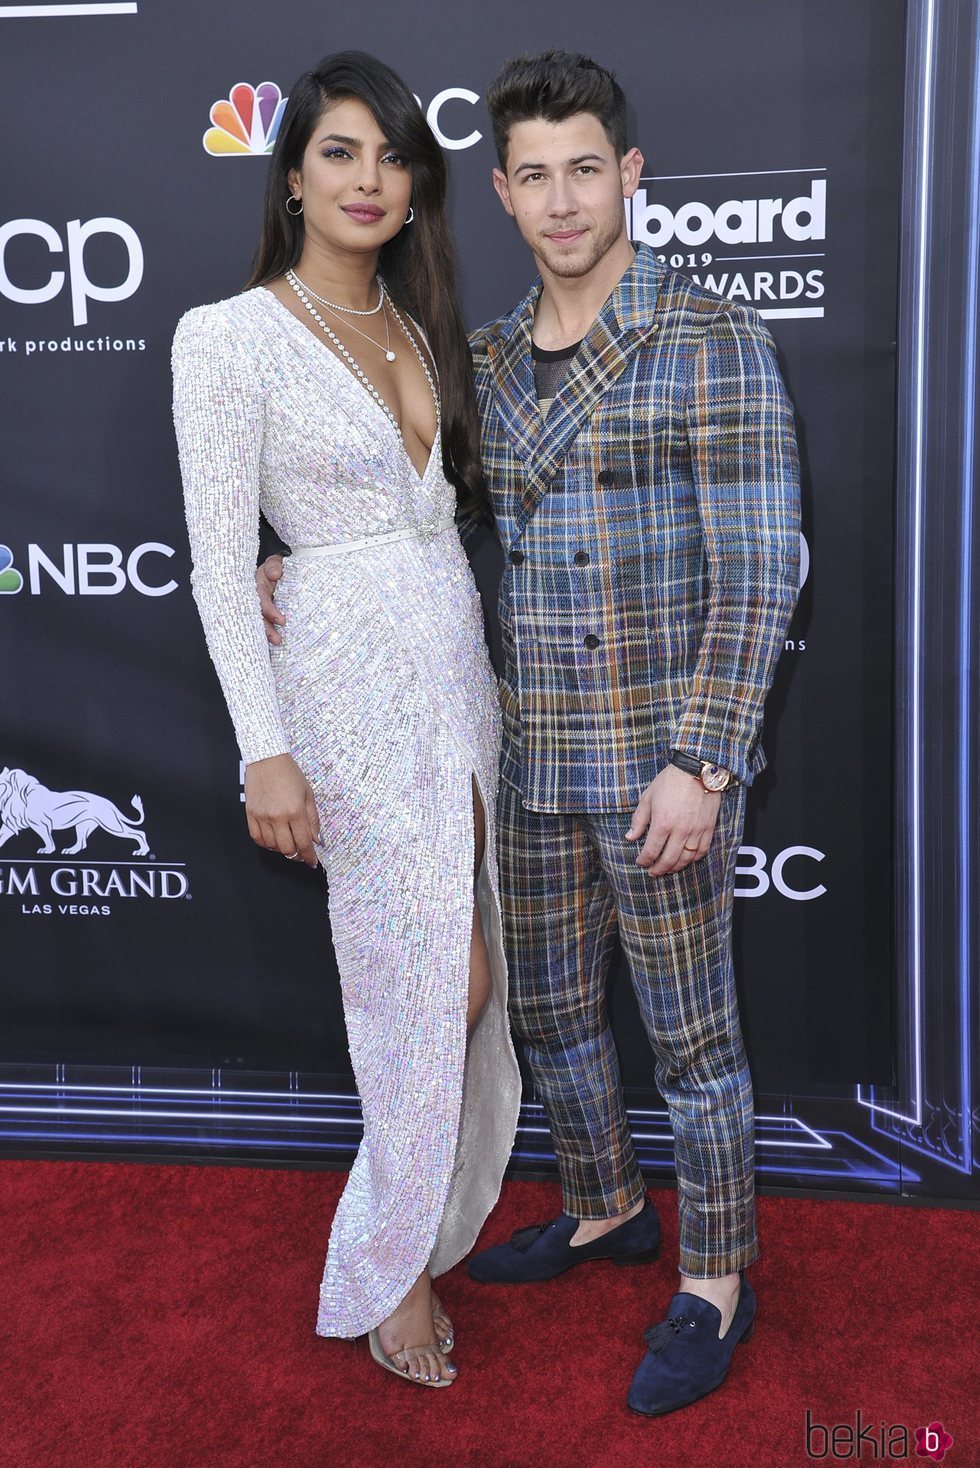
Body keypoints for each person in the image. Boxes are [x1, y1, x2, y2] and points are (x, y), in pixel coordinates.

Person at [259, 48, 800, 1416]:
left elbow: (760, 566)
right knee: (552, 1014)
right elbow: (420, 527)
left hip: (663, 762)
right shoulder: (482, 364)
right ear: (501, 192)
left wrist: (706, 756)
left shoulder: (711, 336)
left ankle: (717, 1277)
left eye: (585, 172)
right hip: (529, 755)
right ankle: (610, 1206)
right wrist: (297, 571)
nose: (562, 202)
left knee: (692, 1037)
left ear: (629, 176)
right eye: (534, 177)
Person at [172, 50, 521, 1391]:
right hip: (345, 697)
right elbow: (218, 560)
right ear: (295, 174)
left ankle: (416, 1228)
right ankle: (392, 1275)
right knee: (412, 996)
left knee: (469, 982)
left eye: (392, 156)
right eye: (341, 152)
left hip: (456, 683)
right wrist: (265, 746)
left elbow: (429, 527)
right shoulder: (229, 337)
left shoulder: (422, 324)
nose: (370, 178)